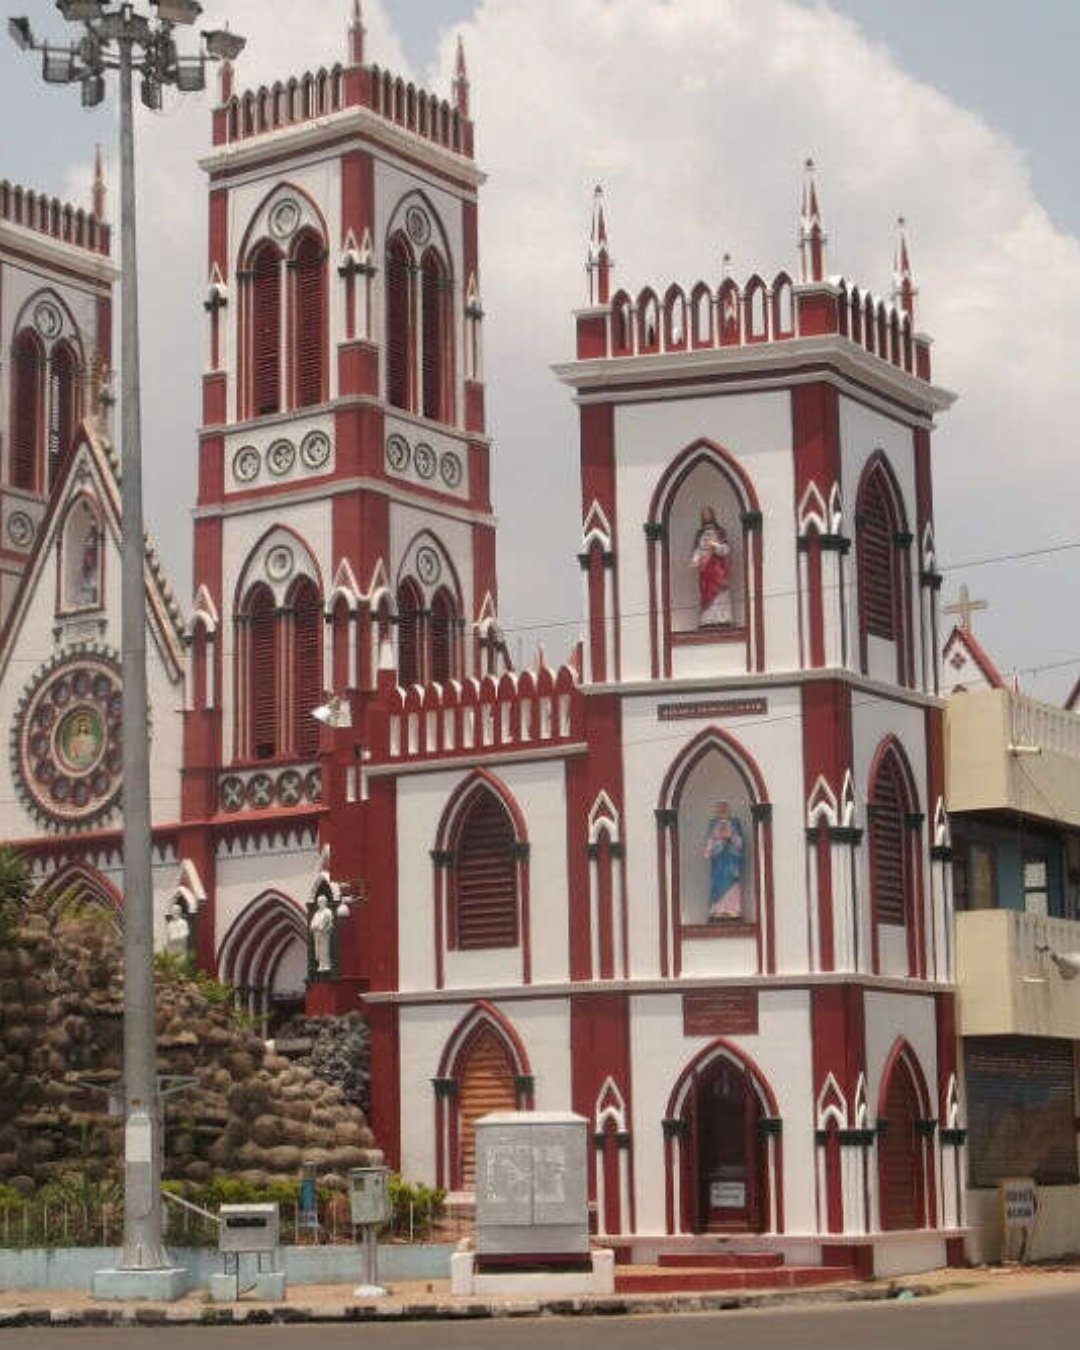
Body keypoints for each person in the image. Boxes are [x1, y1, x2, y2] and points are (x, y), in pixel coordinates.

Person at [688, 507, 733, 627]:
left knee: (719, 592)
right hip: (705, 569)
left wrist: (715, 545)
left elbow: (726, 550)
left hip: (717, 568)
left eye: (708, 514)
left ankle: (722, 619)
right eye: (704, 514)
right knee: (706, 594)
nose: (706, 516)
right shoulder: (700, 534)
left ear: (712, 515)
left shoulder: (720, 532)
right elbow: (698, 550)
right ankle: (708, 620)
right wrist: (695, 560)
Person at [704, 800, 745, 920]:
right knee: (718, 884)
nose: (722, 809)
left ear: (728, 809)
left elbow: (740, 843)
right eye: (720, 807)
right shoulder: (713, 823)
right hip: (718, 860)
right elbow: (710, 841)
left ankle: (733, 909)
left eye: (724, 807)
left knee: (732, 883)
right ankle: (718, 910)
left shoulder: (734, 822)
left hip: (731, 860)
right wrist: (713, 845)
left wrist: (730, 836)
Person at [310, 891, 335, 973]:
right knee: (318, 951)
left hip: (324, 934)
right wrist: (315, 926)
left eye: (321, 902)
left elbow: (329, 923)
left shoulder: (328, 912)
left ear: (325, 902)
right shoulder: (317, 913)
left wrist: (321, 927)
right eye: (318, 902)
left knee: (324, 950)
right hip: (317, 935)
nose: (319, 903)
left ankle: (326, 965)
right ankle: (321, 964)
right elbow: (312, 923)